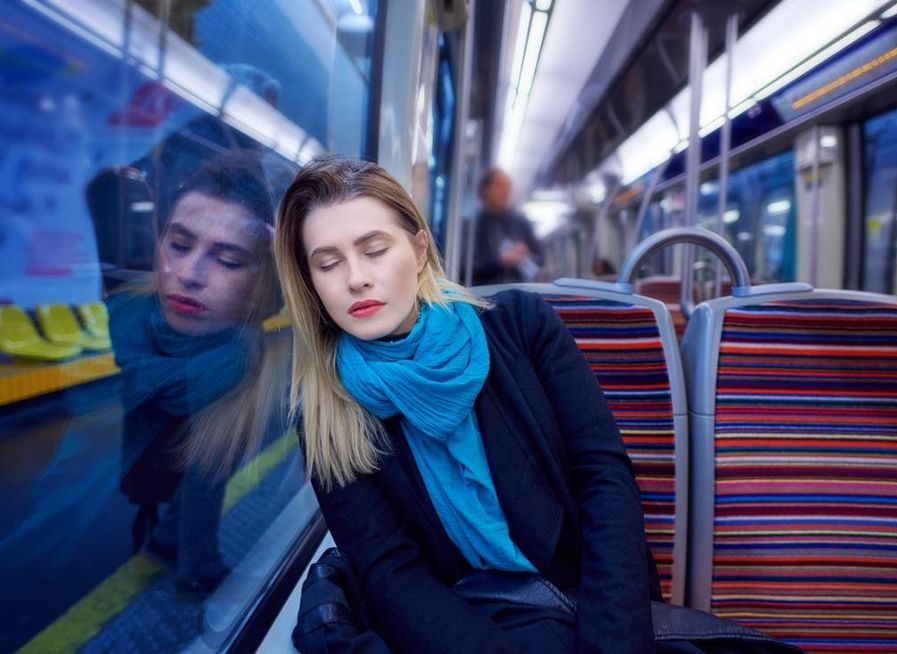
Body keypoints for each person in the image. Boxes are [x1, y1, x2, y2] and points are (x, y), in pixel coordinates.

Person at [274, 157, 799, 653]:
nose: (355, 278)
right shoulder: (325, 411)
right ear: (312, 283)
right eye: (328, 263)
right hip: (467, 623)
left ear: (419, 247)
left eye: (374, 249)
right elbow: (390, 570)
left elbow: (605, 479)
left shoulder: (520, 325)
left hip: (594, 603)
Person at [108, 154, 286, 601]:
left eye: (227, 259)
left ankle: (169, 540)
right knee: (207, 471)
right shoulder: (135, 321)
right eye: (180, 245)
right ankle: (198, 570)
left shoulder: (146, 330)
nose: (187, 275)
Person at [471, 168, 543, 285]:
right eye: (499, 186)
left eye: (507, 187)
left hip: (518, 289)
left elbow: (540, 257)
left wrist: (525, 256)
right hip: (483, 293)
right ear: (485, 190)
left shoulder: (521, 222)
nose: (505, 192)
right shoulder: (473, 226)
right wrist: (501, 261)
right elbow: (467, 267)